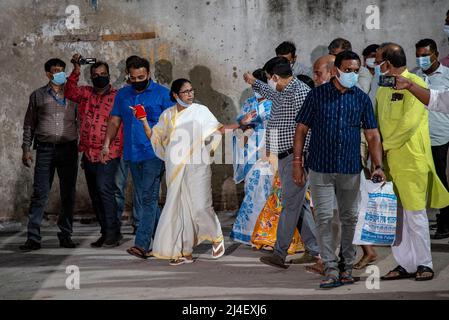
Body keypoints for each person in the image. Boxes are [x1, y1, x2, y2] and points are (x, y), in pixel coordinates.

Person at [294, 50, 385, 289]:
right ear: (335, 71)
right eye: (348, 71)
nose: (352, 75)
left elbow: (373, 135)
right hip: (320, 168)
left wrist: (378, 166)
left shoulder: (361, 99)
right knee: (323, 218)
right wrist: (297, 163)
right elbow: (301, 129)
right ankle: (330, 268)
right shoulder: (317, 96)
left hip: (349, 169)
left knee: (350, 218)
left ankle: (346, 265)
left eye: (356, 71)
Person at [135, 78, 245, 265]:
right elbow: (156, 138)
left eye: (192, 90)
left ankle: (216, 236)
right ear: (176, 95)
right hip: (175, 168)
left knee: (201, 206)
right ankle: (183, 251)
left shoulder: (200, 112)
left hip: (198, 166)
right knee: (178, 208)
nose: (191, 94)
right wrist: (144, 120)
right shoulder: (167, 115)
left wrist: (240, 125)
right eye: (186, 92)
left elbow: (218, 130)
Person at [374, 43, 449, 282]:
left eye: (378, 61)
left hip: (411, 161)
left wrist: (383, 148)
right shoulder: (383, 89)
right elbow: (376, 125)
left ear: (388, 62)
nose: (376, 65)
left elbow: (409, 124)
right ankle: (404, 263)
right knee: (398, 219)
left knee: (416, 215)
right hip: (388, 163)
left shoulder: (416, 84)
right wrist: (375, 156)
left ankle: (424, 264)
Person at [243, 57, 321, 269]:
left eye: (268, 78)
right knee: (298, 205)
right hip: (286, 156)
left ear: (276, 77)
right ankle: (316, 251)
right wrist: (253, 81)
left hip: (296, 157)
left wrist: (299, 160)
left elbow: (307, 128)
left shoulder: (300, 93)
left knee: (289, 205)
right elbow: (269, 92)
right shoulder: (282, 90)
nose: (268, 83)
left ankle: (279, 253)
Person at [102, 57, 172, 259]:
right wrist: (106, 144)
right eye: (133, 78)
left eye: (141, 77)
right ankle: (166, 239)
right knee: (146, 198)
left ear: (148, 74)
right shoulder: (123, 95)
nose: (137, 80)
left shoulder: (162, 95)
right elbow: (115, 121)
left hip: (154, 153)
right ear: (128, 76)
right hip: (132, 154)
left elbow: (172, 124)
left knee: (148, 198)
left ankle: (142, 244)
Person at [20, 58, 79, 251]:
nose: (60, 74)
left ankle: (66, 235)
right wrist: (26, 149)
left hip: (69, 149)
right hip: (45, 149)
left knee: (68, 194)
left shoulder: (72, 95)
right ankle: (33, 238)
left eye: (62, 70)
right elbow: (29, 124)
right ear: (48, 74)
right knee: (40, 194)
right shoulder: (37, 95)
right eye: (56, 71)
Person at [65, 54, 123, 247]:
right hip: (89, 153)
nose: (100, 77)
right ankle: (106, 232)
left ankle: (113, 234)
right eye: (96, 74)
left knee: (104, 190)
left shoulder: (117, 97)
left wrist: (113, 147)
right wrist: (76, 69)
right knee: (96, 195)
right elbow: (69, 91)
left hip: (109, 151)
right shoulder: (86, 93)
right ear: (91, 77)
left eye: (103, 74)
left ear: (109, 75)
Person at [230, 69, 274, 245]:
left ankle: (266, 232)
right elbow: (240, 125)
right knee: (252, 190)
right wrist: (244, 126)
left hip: (270, 150)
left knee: (266, 192)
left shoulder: (275, 102)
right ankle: (249, 232)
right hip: (250, 152)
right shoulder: (249, 103)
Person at [415, 39, 449, 240]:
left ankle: (445, 223)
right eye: (418, 55)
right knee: (429, 182)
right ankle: (440, 218)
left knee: (441, 181)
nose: (421, 59)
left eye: (425, 55)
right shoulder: (415, 77)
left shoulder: (447, 76)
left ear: (435, 54)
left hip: (441, 136)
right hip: (421, 137)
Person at [353, 44, 381, 271]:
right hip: (346, 158)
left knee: (354, 207)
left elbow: (371, 135)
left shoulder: (359, 94)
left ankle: (368, 251)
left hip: (356, 156)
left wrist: (376, 164)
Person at [115, 55, 140, 235]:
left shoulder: (153, 92)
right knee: (118, 185)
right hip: (122, 146)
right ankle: (115, 223)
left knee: (141, 188)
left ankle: (139, 223)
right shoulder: (122, 94)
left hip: (141, 147)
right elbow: (114, 120)